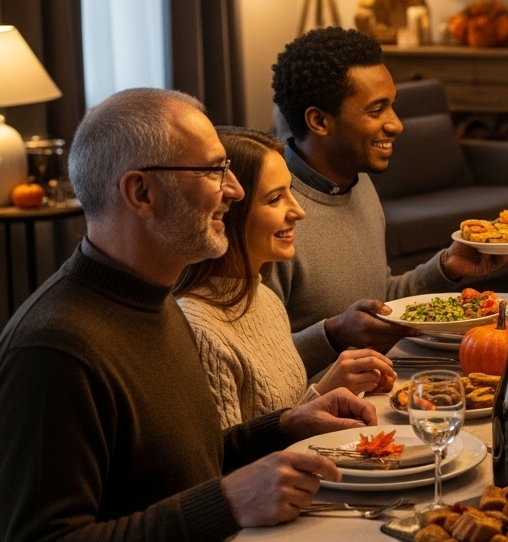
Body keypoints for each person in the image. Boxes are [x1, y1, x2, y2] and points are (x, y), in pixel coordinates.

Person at [0, 88, 378, 541]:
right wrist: (227, 502)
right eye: (214, 171)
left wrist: (282, 426)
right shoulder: (55, 346)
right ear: (141, 192)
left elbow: (178, 465)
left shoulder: (153, 296)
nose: (234, 190)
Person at [267, 28, 508, 375]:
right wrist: (332, 335)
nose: (396, 124)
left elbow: (381, 296)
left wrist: (446, 267)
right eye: (377, 110)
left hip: (382, 380)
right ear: (319, 121)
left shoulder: (358, 180)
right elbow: (252, 366)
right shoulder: (268, 211)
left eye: (391, 106)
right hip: (315, 409)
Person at [176, 127, 397, 429]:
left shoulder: (264, 298)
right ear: (228, 210)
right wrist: (327, 388)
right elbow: (229, 466)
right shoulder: (200, 329)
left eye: (290, 192)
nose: (298, 212)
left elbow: (285, 416)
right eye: (275, 198)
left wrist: (330, 391)